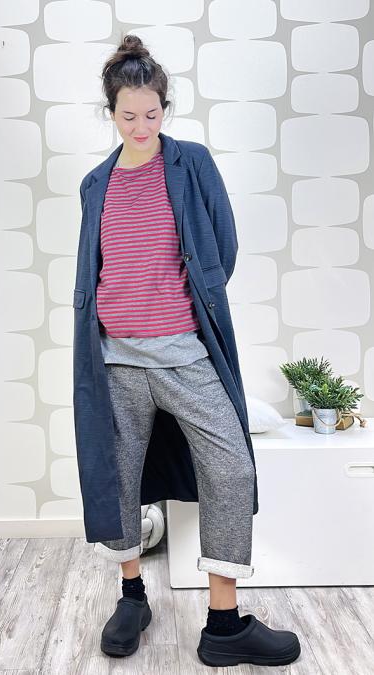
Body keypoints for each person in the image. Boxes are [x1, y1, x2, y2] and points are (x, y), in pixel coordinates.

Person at [74, 33, 301, 667]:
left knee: (231, 469)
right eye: (128, 115)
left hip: (183, 354)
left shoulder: (191, 163)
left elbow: (220, 248)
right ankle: (132, 597)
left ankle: (224, 623)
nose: (141, 126)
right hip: (115, 360)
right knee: (118, 479)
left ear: (164, 108)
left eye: (152, 113)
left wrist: (178, 304)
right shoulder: (95, 184)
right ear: (110, 113)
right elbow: (95, 267)